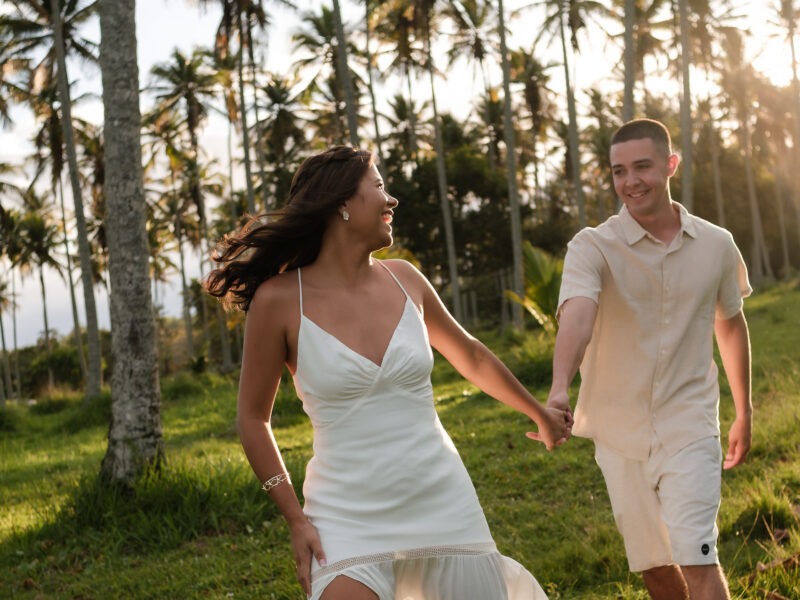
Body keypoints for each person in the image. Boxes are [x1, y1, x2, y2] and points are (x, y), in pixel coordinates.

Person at [205, 146, 571, 600]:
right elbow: (253, 419)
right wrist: (295, 517)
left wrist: (539, 413)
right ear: (341, 203)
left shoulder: (406, 279)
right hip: (345, 516)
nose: (391, 199)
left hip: (443, 499)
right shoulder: (279, 300)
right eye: (378, 186)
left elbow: (471, 356)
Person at [546, 118, 752, 600]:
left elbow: (730, 321)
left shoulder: (717, 245)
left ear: (670, 165)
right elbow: (577, 317)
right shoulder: (591, 246)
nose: (630, 181)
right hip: (619, 432)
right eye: (619, 171)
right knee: (656, 569)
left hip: (690, 421)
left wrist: (744, 410)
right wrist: (559, 387)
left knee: (699, 559)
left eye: (642, 166)